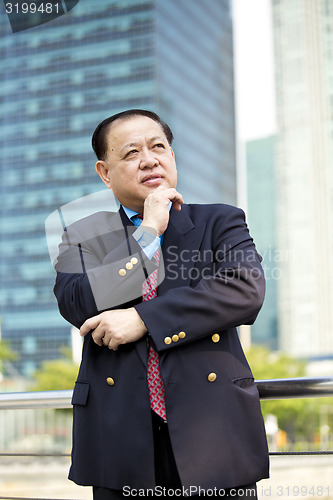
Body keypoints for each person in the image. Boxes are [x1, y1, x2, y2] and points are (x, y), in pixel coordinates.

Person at [54, 109, 269, 499]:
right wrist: (148, 231)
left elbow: (244, 290)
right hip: (120, 440)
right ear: (105, 172)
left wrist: (143, 318)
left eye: (159, 147)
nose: (150, 159)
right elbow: (78, 304)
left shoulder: (219, 221)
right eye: (132, 153)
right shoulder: (83, 236)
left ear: (172, 156)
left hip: (213, 434)